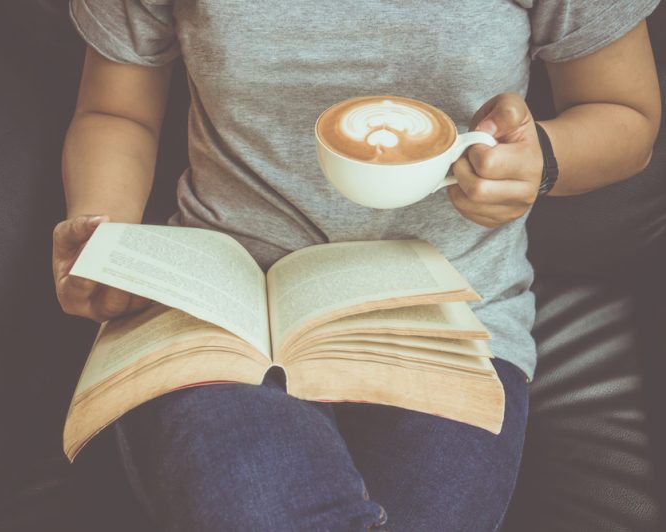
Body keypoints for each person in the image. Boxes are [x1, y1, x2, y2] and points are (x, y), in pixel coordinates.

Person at [52, 1, 661, 530]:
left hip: (451, 308)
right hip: (220, 301)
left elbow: (624, 112)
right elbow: (116, 112)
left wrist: (543, 160)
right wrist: (106, 240)